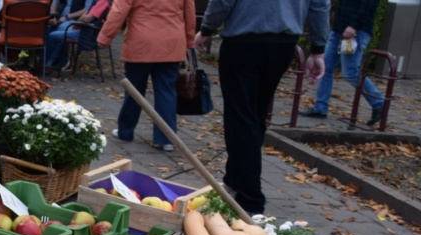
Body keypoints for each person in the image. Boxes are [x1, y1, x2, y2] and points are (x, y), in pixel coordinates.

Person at [194, 0, 329, 215]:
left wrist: (207, 28)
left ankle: (250, 197)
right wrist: (318, 49)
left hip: (243, 40)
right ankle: (236, 178)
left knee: (241, 116)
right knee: (254, 114)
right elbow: (320, 5)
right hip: (283, 43)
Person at [98, 0, 195, 152]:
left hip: (140, 42)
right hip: (171, 43)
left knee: (134, 90)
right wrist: (190, 41)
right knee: (167, 92)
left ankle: (126, 131)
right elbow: (189, 14)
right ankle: (165, 139)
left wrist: (105, 37)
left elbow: (118, 11)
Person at [299, 0, 384, 126]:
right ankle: (320, 107)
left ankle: (379, 102)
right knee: (325, 68)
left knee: (350, 72)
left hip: (355, 31)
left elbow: (369, 4)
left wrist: (353, 26)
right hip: (339, 29)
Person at [44, 0, 91, 74]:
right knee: (46, 29)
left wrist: (67, 17)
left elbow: (87, 10)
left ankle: (52, 63)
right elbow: (55, 2)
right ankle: (42, 62)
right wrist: (53, 15)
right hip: (59, 18)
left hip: (76, 22)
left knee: (61, 31)